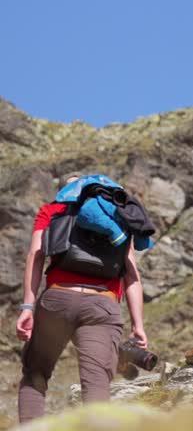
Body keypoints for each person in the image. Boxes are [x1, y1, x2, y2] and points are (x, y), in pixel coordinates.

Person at [15, 175, 148, 423]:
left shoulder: (52, 210)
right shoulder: (117, 215)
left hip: (58, 300)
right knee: (96, 385)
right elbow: (132, 275)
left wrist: (27, 307)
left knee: (35, 375)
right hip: (102, 305)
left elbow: (36, 254)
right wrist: (138, 325)